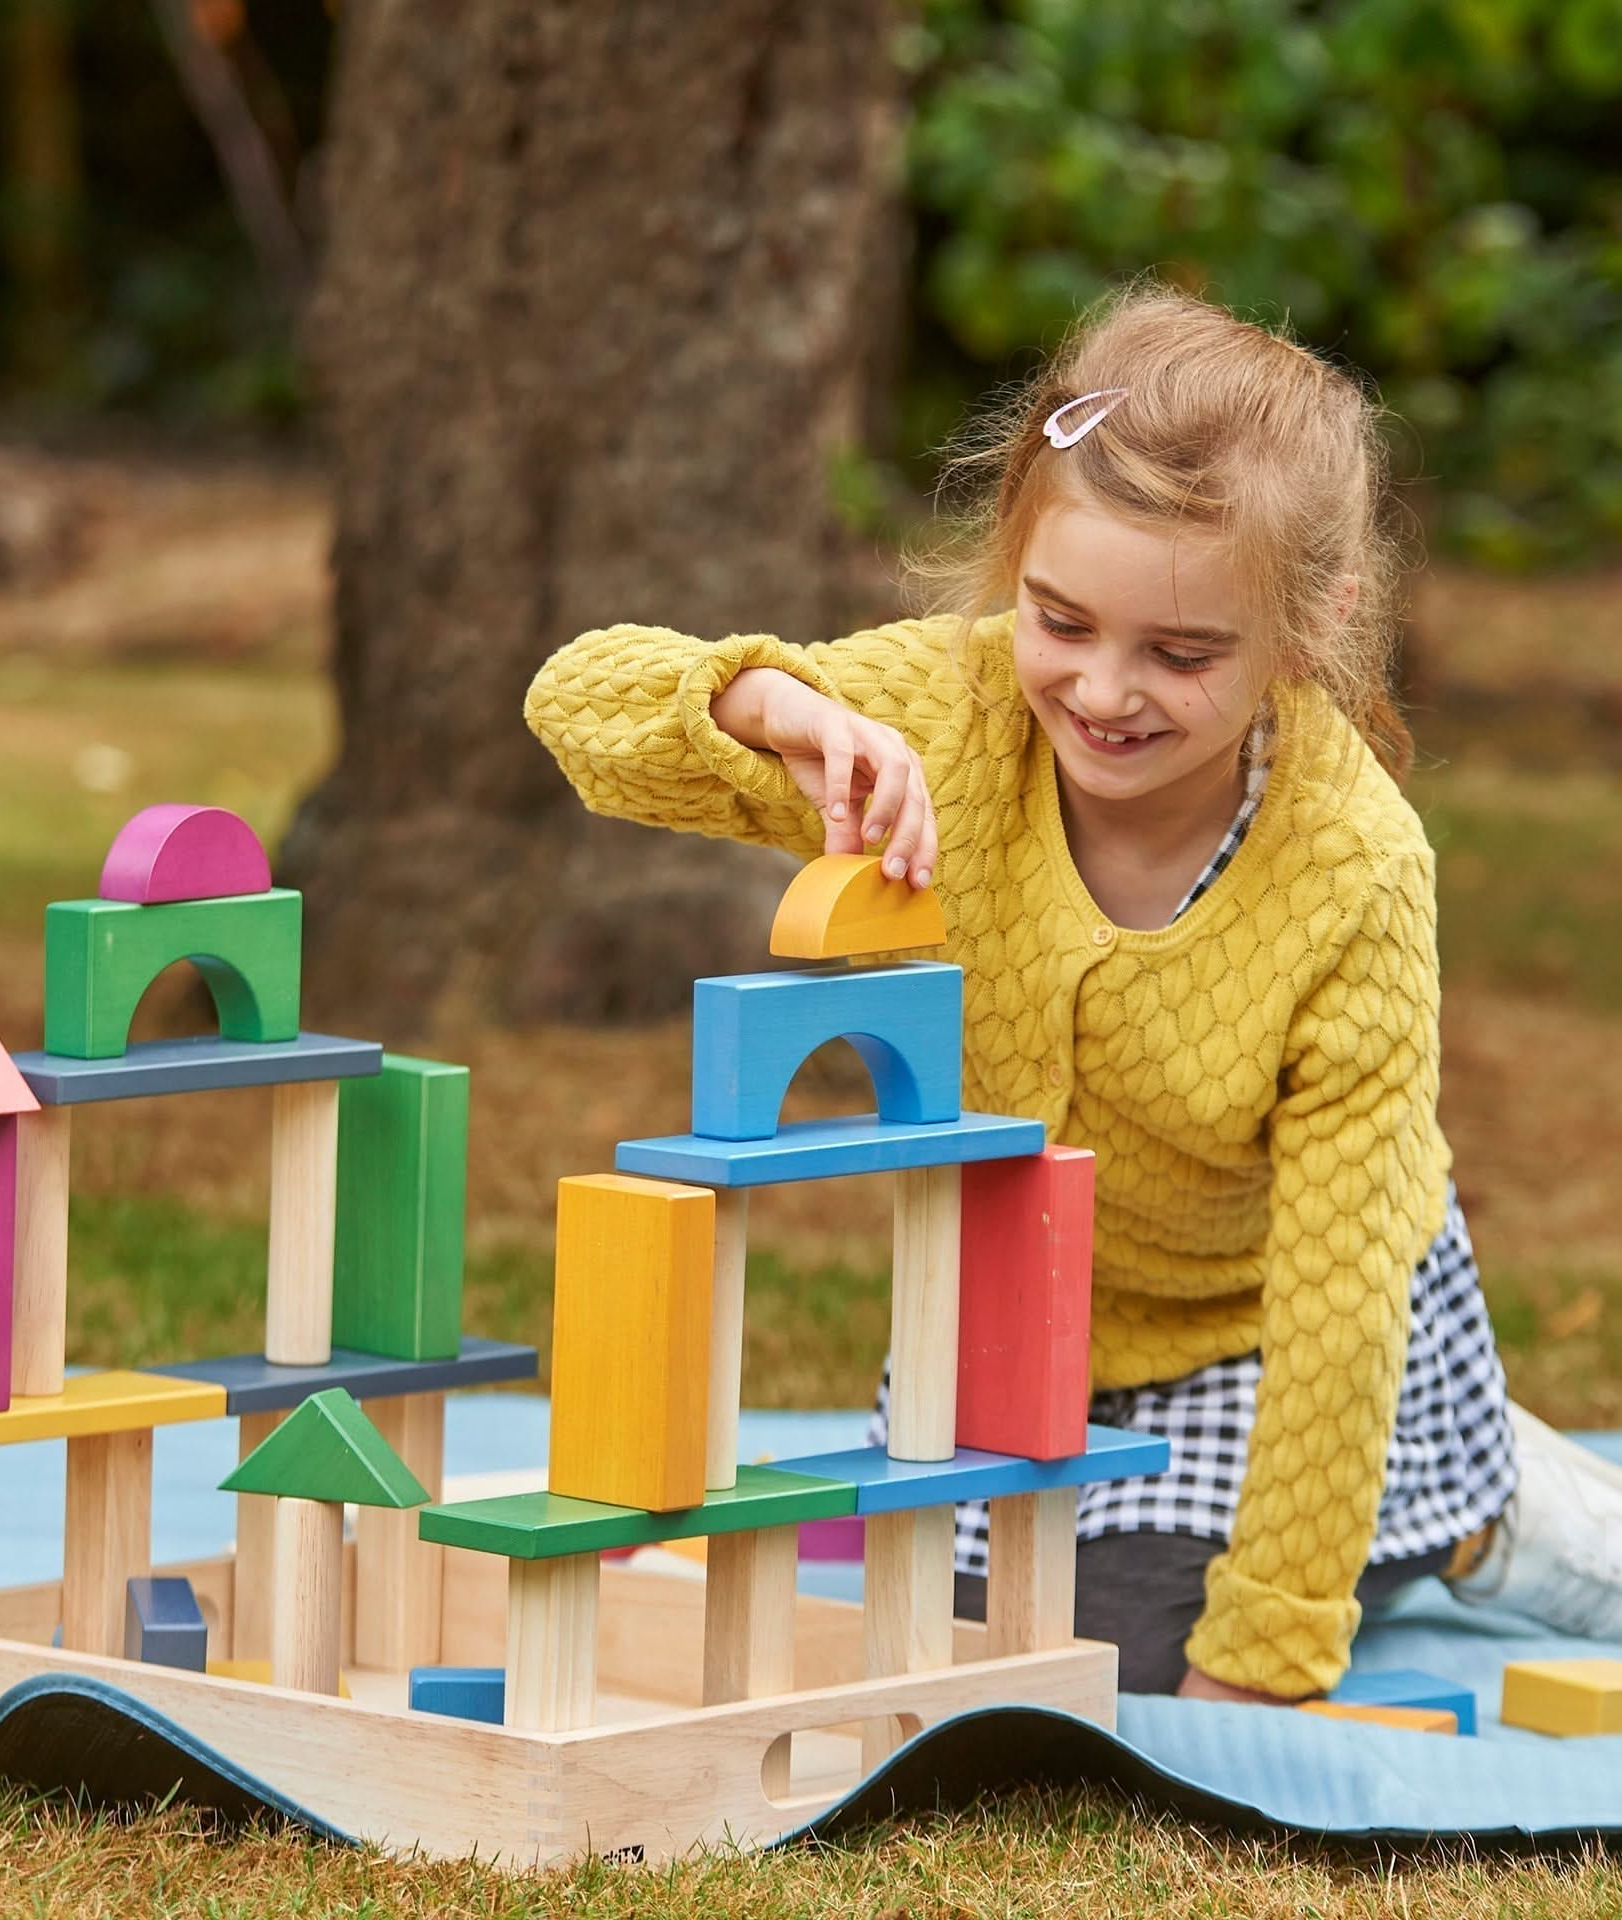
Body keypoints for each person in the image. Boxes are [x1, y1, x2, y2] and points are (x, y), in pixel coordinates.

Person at [522, 282, 1622, 1701]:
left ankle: (1478, 1507)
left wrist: (1268, 1651)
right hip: (1012, 1332)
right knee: (971, 1637)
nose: (1105, 691)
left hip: (1263, 1335)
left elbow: (1344, 1302)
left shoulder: (1354, 870)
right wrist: (772, 709)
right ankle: (1443, 1496)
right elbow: (577, 703)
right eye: (1062, 620)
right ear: (1016, 567)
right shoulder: (958, 712)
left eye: (1181, 653)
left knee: (1124, 1653)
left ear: (1308, 630)